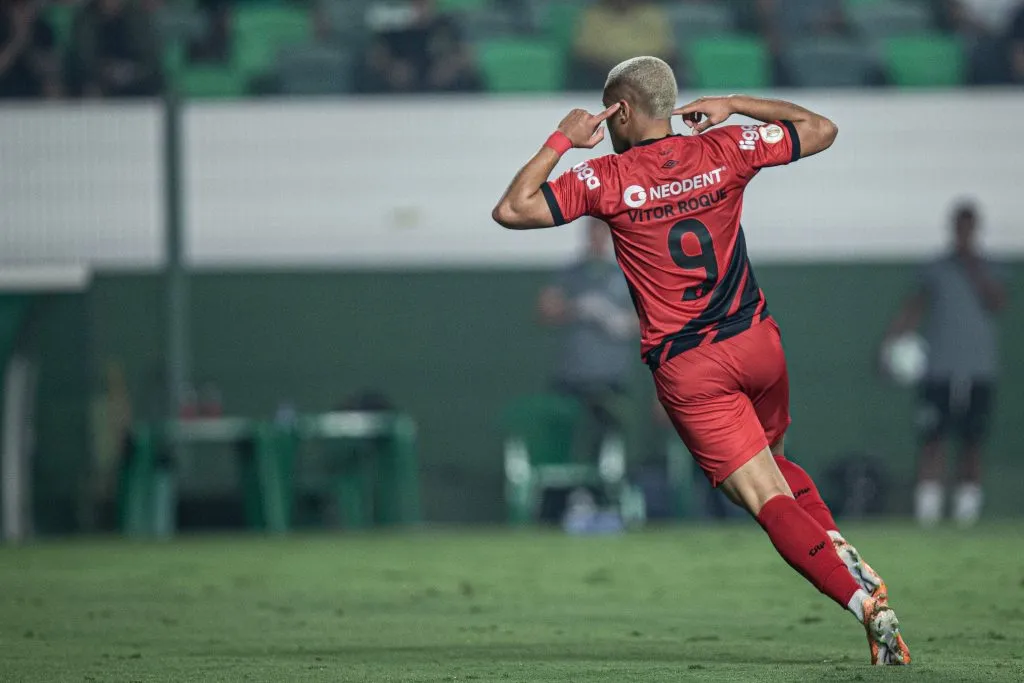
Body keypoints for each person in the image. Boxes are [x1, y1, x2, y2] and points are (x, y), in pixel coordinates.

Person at [491, 56, 910, 665]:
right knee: (779, 466)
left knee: (763, 498)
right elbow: (820, 128)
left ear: (625, 111)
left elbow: (512, 208)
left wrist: (563, 138)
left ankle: (861, 601)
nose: (605, 127)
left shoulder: (606, 177)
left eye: (610, 115)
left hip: (692, 367)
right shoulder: (724, 147)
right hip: (759, 343)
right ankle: (844, 554)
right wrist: (737, 101)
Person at [884, 202, 1008, 527]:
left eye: (969, 227)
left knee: (971, 443)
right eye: (959, 226)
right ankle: (928, 515)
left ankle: (967, 516)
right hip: (938, 369)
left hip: (978, 370)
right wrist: (892, 344)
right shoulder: (935, 268)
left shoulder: (990, 266)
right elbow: (914, 306)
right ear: (952, 227)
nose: (964, 233)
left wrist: (973, 266)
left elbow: (998, 303)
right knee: (932, 440)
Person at [538, 219, 636, 459]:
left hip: (611, 380)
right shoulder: (571, 273)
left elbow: (643, 320)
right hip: (572, 377)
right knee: (564, 441)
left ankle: (605, 490)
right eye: (593, 234)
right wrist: (577, 307)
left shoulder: (624, 274)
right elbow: (546, 308)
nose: (597, 240)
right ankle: (564, 493)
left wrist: (615, 319)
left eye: (602, 234)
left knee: (607, 443)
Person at [357, 0, 481, 94]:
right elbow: (377, 55)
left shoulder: (446, 25)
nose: (421, 8)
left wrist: (449, 67)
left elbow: (466, 54)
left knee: (468, 79)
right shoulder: (395, 28)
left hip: (441, 86)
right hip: (401, 87)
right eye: (417, 4)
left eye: (425, 4)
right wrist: (391, 68)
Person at [569, 0, 673, 90]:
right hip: (602, 72)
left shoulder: (651, 14)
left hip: (645, 71)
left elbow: (663, 50)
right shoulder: (594, 15)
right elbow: (584, 51)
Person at [69, 0, 163, 98]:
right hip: (97, 80)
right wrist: (103, 70)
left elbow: (148, 56)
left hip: (135, 81)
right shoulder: (86, 18)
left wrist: (131, 71)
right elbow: (83, 57)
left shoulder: (136, 17)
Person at [0, 0, 61, 99]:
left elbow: (51, 72)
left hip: (34, 99)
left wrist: (27, 44)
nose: (24, 14)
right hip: (4, 97)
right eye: (19, 8)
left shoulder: (43, 30)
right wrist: (17, 42)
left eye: (27, 8)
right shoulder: (2, 29)